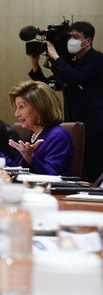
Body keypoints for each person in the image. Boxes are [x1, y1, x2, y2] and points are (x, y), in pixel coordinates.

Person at [28, 21, 103, 182]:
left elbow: (78, 78)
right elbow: (49, 87)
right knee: (80, 171)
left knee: (95, 169)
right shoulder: (71, 64)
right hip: (73, 120)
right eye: (70, 37)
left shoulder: (97, 59)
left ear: (88, 41)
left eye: (76, 37)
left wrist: (55, 57)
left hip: (94, 126)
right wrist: (35, 66)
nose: (71, 41)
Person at [0, 81, 74, 175]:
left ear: (40, 108)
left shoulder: (58, 136)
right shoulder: (35, 134)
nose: (16, 114)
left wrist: (31, 158)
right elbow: (15, 168)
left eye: (21, 107)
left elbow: (52, 177)